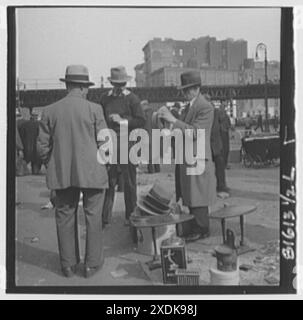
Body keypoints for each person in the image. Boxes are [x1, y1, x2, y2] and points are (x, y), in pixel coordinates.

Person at [37, 65, 109, 278]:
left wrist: (54, 164)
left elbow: (42, 148)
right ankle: (91, 265)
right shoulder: (95, 109)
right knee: (93, 217)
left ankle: (67, 265)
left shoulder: (49, 111)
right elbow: (105, 143)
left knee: (65, 216)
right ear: (83, 87)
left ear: (67, 85)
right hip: (92, 174)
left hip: (62, 174)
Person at [158, 71, 216, 242]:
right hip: (189, 157)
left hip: (197, 158)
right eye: (183, 90)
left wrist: (173, 120)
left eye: (187, 90)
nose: (184, 93)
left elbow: (196, 133)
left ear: (196, 89)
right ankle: (194, 227)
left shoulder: (205, 107)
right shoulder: (191, 106)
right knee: (190, 194)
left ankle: (202, 229)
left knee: (198, 195)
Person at [101, 66, 145, 227]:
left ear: (126, 82)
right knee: (108, 182)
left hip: (128, 144)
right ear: (112, 83)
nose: (119, 87)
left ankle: (130, 215)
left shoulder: (133, 99)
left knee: (129, 183)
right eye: (116, 84)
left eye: (122, 84)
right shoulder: (104, 98)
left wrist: (122, 120)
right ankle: (104, 218)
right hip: (109, 145)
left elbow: (141, 120)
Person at [211, 105, 230, 198]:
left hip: (214, 145)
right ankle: (221, 187)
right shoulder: (215, 113)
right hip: (214, 145)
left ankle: (220, 187)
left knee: (219, 165)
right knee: (219, 166)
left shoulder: (215, 113)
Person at [141, 100, 160, 174]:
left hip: (147, 135)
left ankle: (151, 170)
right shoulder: (155, 114)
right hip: (155, 134)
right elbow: (159, 125)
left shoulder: (143, 114)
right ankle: (157, 169)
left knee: (149, 153)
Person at [219, 102, 231, 169]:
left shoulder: (226, 115)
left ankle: (225, 163)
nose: (223, 109)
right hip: (222, 133)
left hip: (225, 133)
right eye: (223, 107)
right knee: (223, 150)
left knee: (226, 149)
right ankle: (223, 164)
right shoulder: (220, 115)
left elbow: (229, 124)